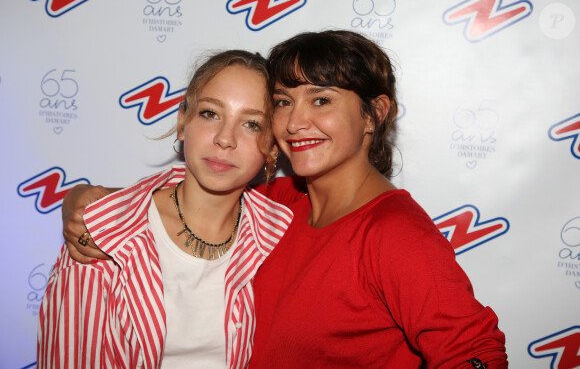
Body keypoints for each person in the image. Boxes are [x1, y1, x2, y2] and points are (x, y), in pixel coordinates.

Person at [59, 31, 508, 368]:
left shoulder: (393, 232)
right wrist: (86, 202)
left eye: (321, 100)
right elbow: (198, 188)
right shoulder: (281, 205)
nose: (296, 123)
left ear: (375, 114)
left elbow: (474, 351)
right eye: (284, 102)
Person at [37, 50, 294, 369]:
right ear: (183, 122)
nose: (225, 139)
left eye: (252, 124)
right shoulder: (102, 234)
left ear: (272, 147)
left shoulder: (281, 236)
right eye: (210, 113)